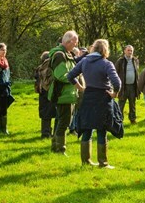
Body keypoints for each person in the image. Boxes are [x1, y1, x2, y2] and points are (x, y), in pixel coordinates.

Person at [68, 39, 121, 168]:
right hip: (103, 98)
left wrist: (81, 88)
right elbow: (117, 82)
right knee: (102, 130)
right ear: (105, 49)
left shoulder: (84, 61)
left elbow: (70, 76)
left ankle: (86, 161)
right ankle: (103, 162)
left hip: (88, 97)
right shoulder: (106, 63)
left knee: (87, 128)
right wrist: (115, 94)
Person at [48, 31, 82, 156]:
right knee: (64, 122)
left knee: (62, 121)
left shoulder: (67, 54)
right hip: (62, 93)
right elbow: (61, 75)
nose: (76, 44)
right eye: (75, 41)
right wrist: (77, 83)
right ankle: (60, 149)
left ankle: (55, 147)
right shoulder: (59, 55)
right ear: (68, 41)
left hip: (68, 93)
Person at [115, 45, 140, 124]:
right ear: (124, 51)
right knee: (121, 104)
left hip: (133, 86)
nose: (130, 52)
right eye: (128, 50)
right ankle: (119, 120)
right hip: (123, 87)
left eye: (131, 50)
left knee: (132, 104)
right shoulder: (120, 61)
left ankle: (132, 119)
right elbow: (115, 73)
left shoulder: (135, 60)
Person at [34, 50, 54, 138]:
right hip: (47, 91)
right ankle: (46, 133)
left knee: (45, 113)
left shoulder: (39, 68)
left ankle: (46, 132)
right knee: (48, 112)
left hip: (41, 91)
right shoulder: (48, 68)